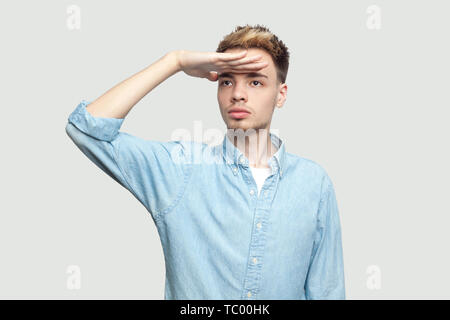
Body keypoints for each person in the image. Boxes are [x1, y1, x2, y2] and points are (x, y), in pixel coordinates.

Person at [65, 24, 345, 300]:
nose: (237, 93)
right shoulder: (180, 168)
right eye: (227, 81)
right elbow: (86, 129)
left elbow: (327, 291)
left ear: (280, 95)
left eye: (255, 81)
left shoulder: (313, 183)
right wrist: (174, 61)